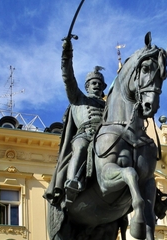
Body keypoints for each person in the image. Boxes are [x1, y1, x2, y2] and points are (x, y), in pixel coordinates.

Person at [45, 39, 107, 206]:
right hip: (85, 134)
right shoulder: (78, 98)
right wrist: (67, 54)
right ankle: (72, 182)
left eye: (100, 84)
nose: (97, 86)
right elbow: (68, 77)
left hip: (105, 136)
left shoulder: (109, 105)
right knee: (80, 147)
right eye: (93, 83)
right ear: (87, 86)